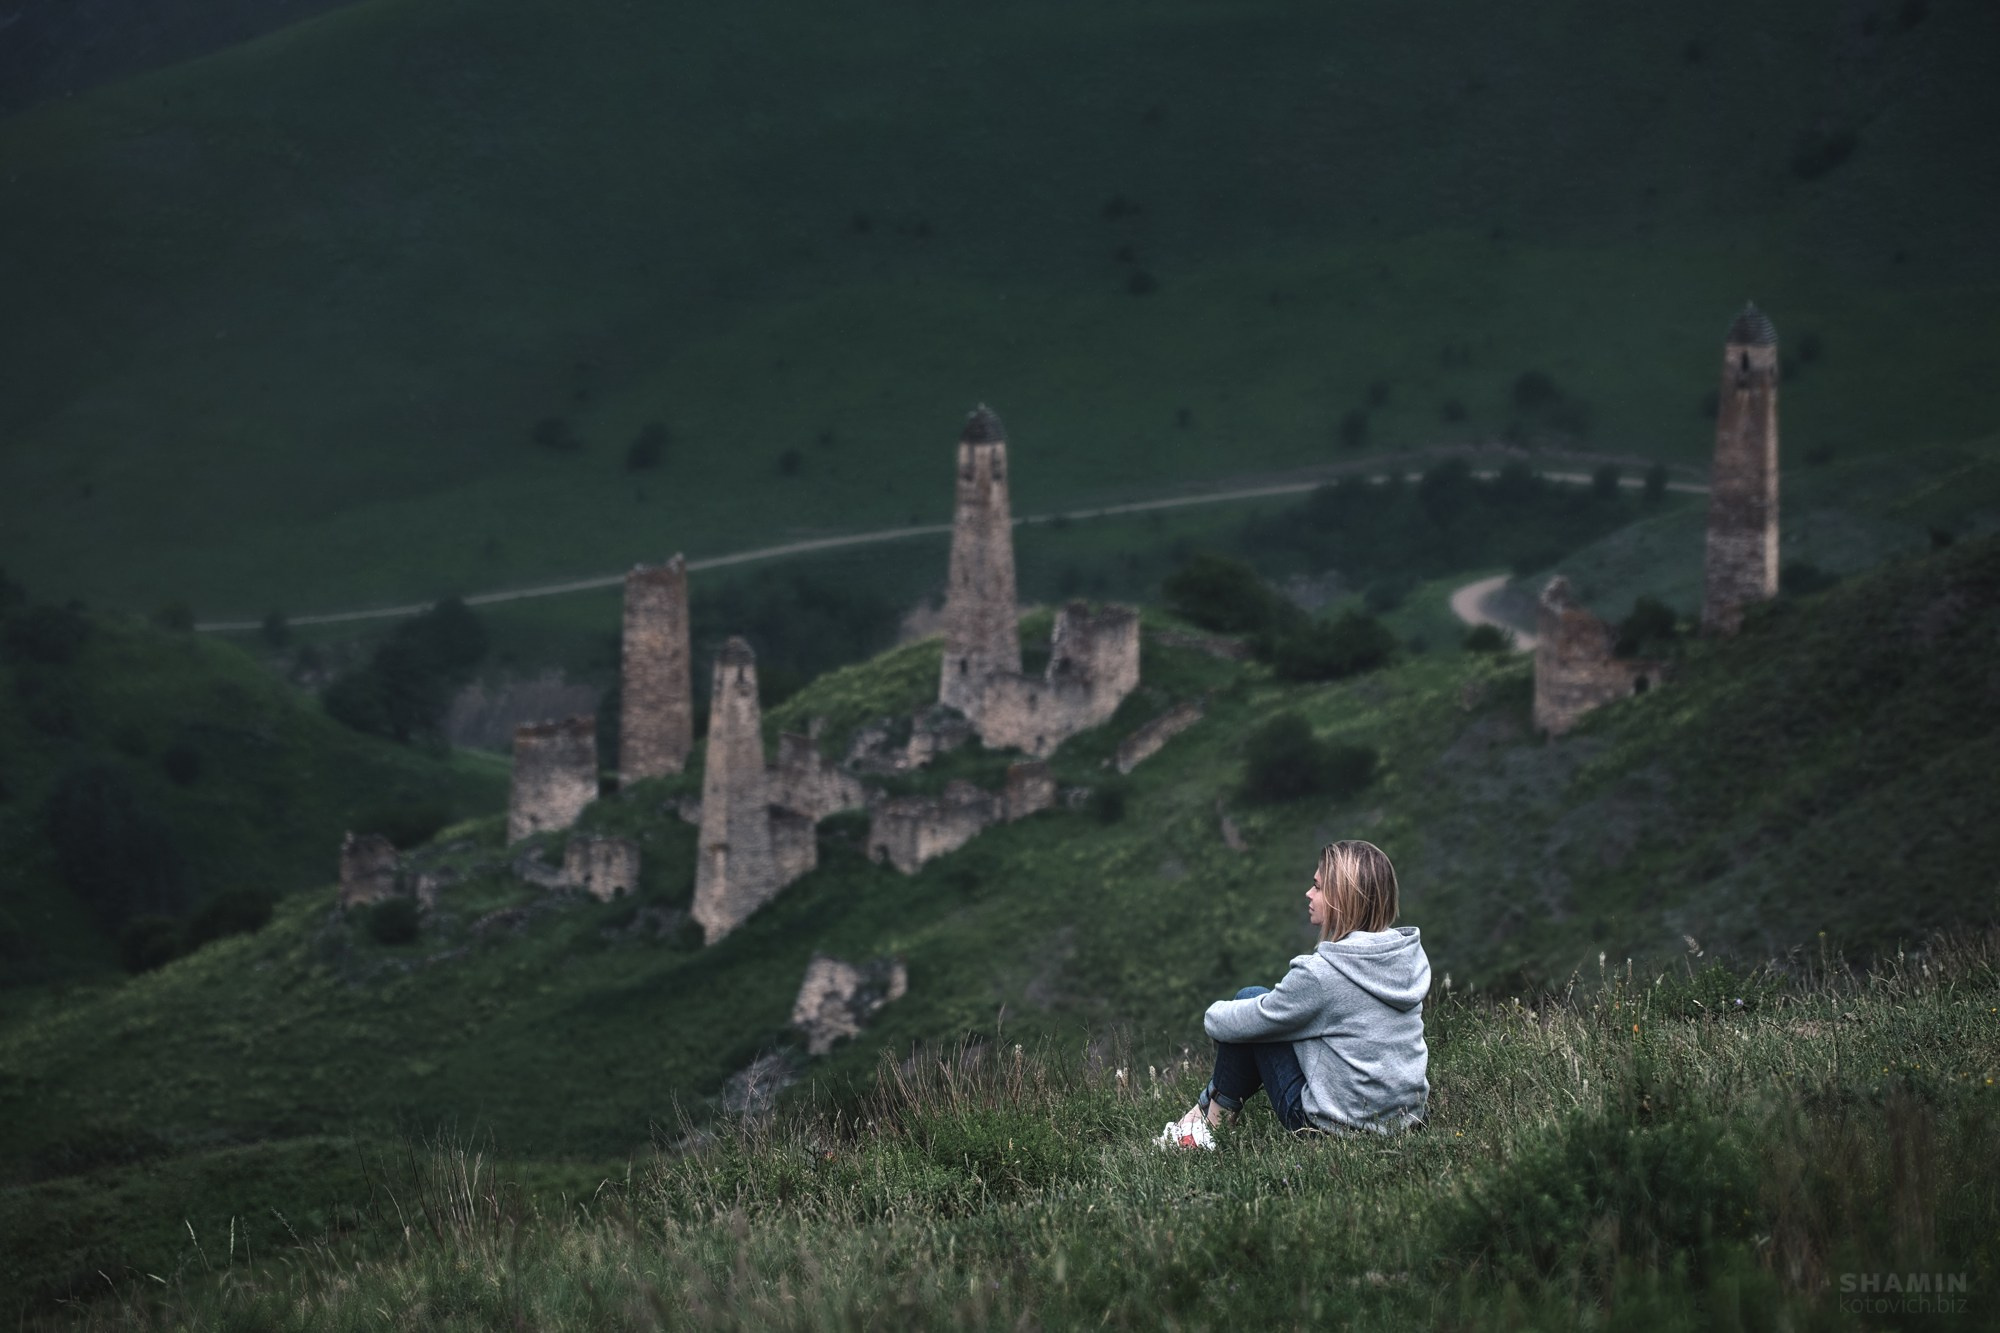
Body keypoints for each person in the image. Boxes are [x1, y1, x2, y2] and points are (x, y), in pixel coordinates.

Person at [1160, 840, 1430, 1149]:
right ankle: (1204, 1115)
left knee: (1249, 1002)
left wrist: (1212, 1012)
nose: (1309, 893)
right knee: (1269, 1016)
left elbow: (1241, 1023)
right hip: (1405, 1117)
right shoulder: (1406, 957)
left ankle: (1209, 1127)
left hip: (1335, 1130)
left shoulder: (1322, 976)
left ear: (1342, 899)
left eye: (1318, 887)